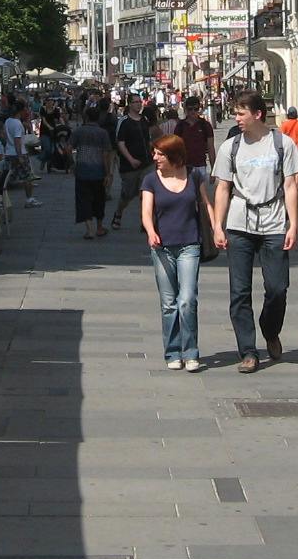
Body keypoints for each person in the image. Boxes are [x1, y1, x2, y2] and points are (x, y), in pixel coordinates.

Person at [211, 91, 298, 373]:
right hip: (240, 223)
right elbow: (223, 188)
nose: (236, 118)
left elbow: (290, 186)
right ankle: (248, 352)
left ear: (257, 114)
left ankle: (270, 329)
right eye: (236, 113)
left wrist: (293, 224)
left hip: (273, 221)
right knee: (239, 291)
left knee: (277, 288)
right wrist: (217, 225)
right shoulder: (231, 147)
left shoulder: (282, 144)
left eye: (241, 113)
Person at [142, 133, 214, 371]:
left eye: (160, 154)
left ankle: (191, 352)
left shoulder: (194, 175)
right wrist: (151, 231)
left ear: (173, 156)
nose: (155, 157)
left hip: (190, 245)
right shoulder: (151, 180)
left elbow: (206, 204)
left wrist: (217, 229)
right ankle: (173, 352)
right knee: (168, 303)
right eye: (155, 153)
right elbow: (146, 212)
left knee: (187, 300)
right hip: (162, 248)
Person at [70, 109, 113, 240]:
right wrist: (108, 173)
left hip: (82, 170)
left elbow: (68, 148)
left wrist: (72, 164)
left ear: (86, 117)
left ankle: (89, 230)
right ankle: (99, 227)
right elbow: (106, 154)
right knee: (99, 200)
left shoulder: (79, 131)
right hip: (98, 171)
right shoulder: (103, 133)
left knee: (83, 199)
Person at [111, 99, 151, 234]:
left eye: (139, 102)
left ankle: (145, 221)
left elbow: (148, 139)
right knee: (127, 194)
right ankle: (118, 212)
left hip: (147, 163)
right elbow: (120, 143)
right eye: (135, 102)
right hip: (129, 165)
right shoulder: (124, 121)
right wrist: (131, 159)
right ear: (129, 105)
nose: (138, 104)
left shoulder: (144, 119)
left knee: (146, 193)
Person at [177, 99, 215, 178]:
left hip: (201, 165)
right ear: (185, 109)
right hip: (185, 166)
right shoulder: (180, 126)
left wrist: (213, 169)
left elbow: (211, 148)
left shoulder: (205, 125)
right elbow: (176, 147)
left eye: (196, 109)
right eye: (190, 109)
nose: (193, 111)